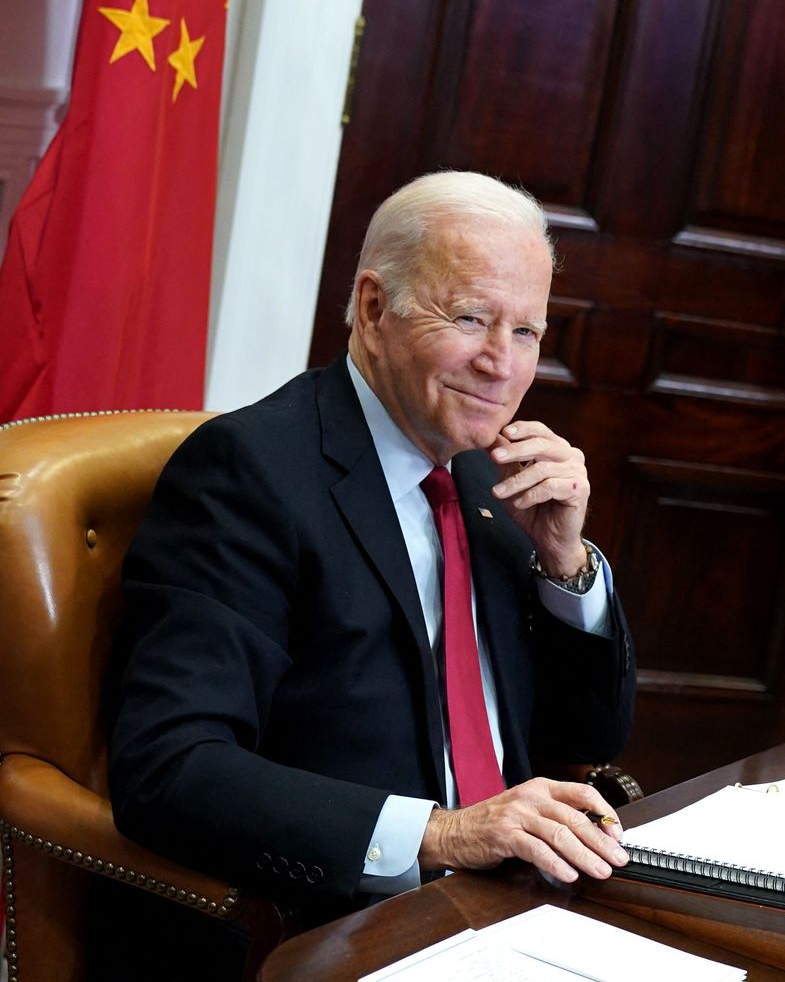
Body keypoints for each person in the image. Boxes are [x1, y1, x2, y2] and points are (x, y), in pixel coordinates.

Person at [108, 172, 637, 936]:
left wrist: (566, 563)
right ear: (372, 307)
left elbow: (589, 740)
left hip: (524, 908)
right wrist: (444, 834)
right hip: (351, 921)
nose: (502, 362)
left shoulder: (492, 477)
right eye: (470, 316)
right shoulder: (249, 474)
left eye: (526, 332)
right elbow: (170, 767)